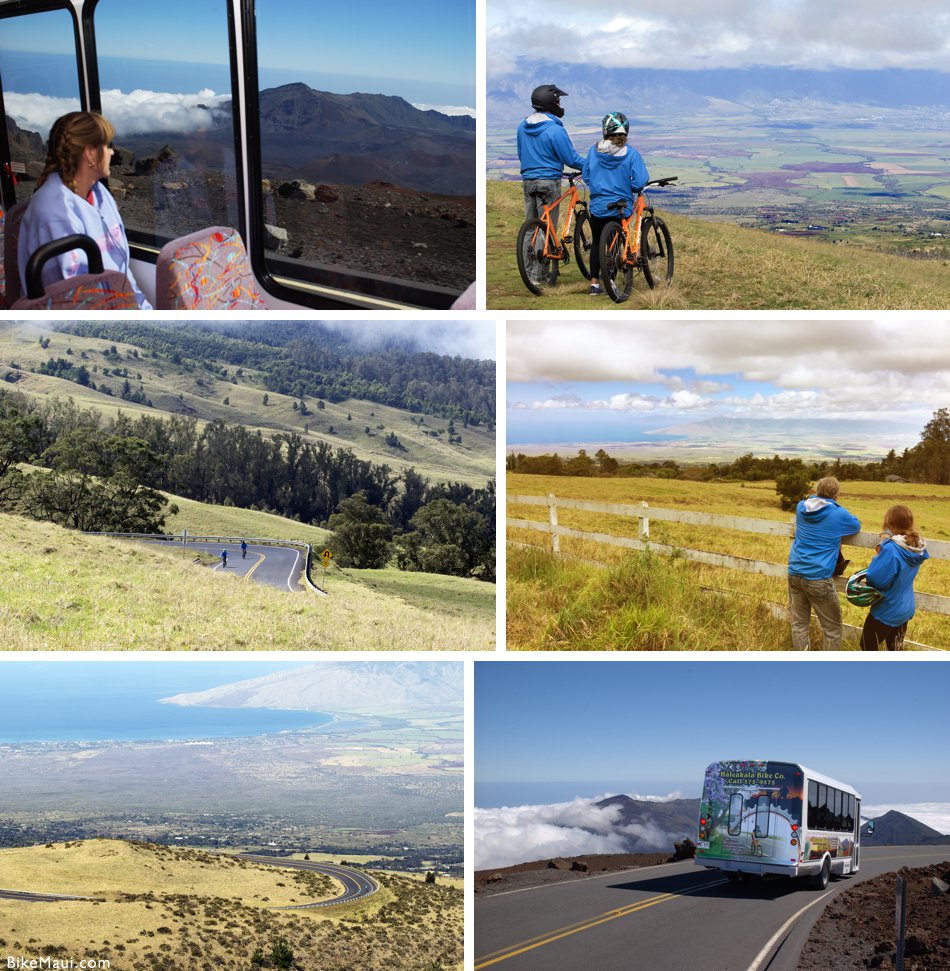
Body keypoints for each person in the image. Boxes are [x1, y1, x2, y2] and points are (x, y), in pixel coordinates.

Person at [18, 111, 151, 308]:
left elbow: (122, 270)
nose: (112, 152)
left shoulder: (100, 194)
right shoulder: (54, 214)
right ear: (90, 153)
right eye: (106, 146)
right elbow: (73, 298)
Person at [787, 476, 861, 650]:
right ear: (835, 495)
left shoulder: (800, 507)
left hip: (795, 572)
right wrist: (836, 505)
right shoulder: (838, 513)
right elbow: (855, 525)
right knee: (832, 629)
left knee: (799, 624)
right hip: (818, 577)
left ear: (816, 491)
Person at [582, 112, 649, 296]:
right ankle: (612, 280)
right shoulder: (631, 154)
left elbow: (586, 176)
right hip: (621, 206)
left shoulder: (593, 150)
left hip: (597, 206)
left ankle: (594, 285)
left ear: (605, 130)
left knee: (597, 243)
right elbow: (639, 182)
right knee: (616, 241)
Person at [860, 505, 929, 650]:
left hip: (887, 609)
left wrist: (879, 555)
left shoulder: (891, 549)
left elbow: (876, 579)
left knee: (867, 646)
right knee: (895, 648)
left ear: (889, 523)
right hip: (905, 608)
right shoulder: (915, 545)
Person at [516, 84, 585, 224]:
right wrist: (590, 165)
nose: (560, 105)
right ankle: (545, 247)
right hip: (548, 181)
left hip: (528, 180)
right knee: (547, 227)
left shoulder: (522, 126)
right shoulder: (555, 130)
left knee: (532, 224)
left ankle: (528, 246)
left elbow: (521, 154)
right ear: (552, 103)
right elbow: (571, 160)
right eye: (558, 101)